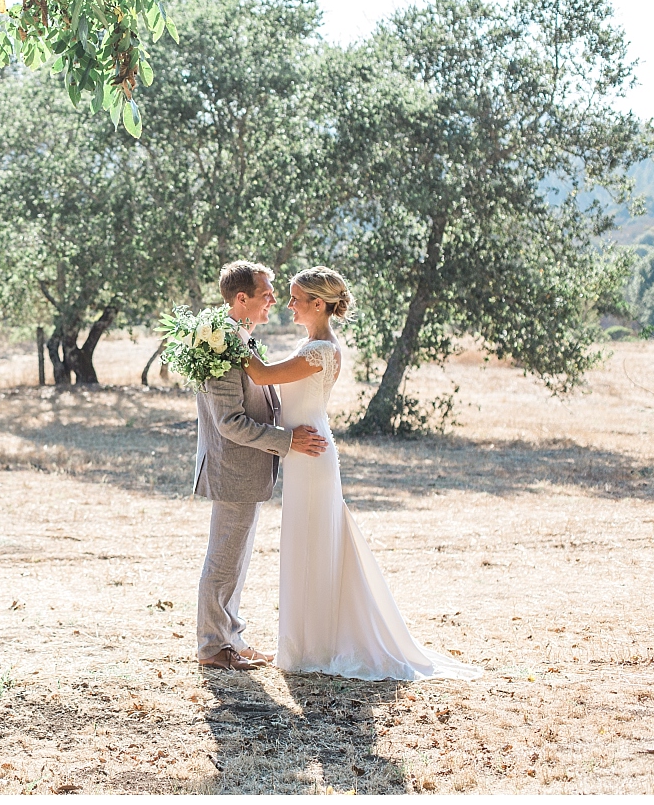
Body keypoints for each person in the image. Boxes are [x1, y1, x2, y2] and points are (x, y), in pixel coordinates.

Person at [244, 266, 480, 680]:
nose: (289, 304)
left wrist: (227, 337)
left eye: (296, 298)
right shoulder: (311, 345)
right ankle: (305, 643)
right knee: (305, 545)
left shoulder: (319, 352)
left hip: (312, 458)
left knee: (313, 546)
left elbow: (261, 374)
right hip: (303, 454)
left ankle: (314, 647)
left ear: (319, 304)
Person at [193, 261, 328, 671]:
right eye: (267, 292)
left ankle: (231, 636)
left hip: (248, 470)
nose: (273, 299)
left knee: (237, 559)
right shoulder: (218, 346)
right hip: (232, 468)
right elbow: (229, 422)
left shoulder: (240, 339)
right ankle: (214, 647)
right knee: (224, 561)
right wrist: (287, 442)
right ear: (242, 299)